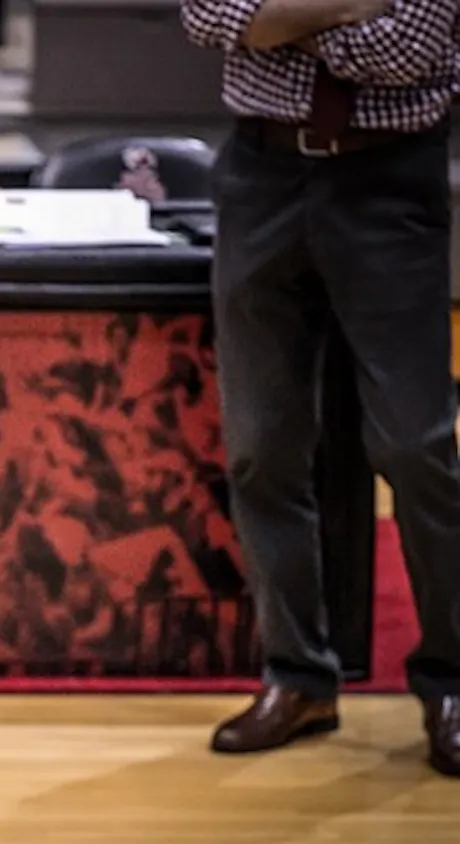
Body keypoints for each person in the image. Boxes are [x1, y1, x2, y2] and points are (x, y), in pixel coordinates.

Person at [180, 0, 460, 775]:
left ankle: (449, 682)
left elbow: (411, 44)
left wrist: (278, 18)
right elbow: (208, 16)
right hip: (260, 175)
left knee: (416, 445)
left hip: (389, 175)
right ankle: (297, 676)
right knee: (260, 447)